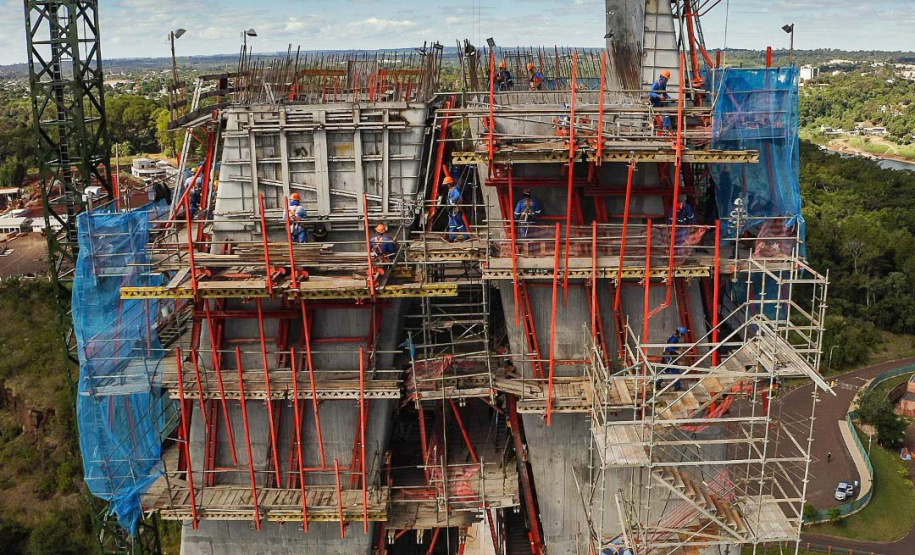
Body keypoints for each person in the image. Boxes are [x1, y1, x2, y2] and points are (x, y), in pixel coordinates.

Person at [659, 326, 689, 391]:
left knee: (665, 371)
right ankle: (677, 387)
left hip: (669, 357)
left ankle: (657, 383)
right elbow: (668, 347)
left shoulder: (674, 338)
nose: (682, 336)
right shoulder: (674, 338)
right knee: (675, 372)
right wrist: (677, 351)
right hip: (670, 357)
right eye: (683, 334)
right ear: (680, 333)